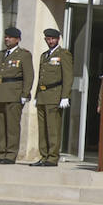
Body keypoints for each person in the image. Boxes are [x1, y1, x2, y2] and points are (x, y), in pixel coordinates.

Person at [0, 26, 33, 165]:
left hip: (14, 94)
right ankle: (2, 153)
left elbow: (29, 76)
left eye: (10, 37)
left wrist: (25, 94)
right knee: (1, 125)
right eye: (5, 36)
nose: (6, 39)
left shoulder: (24, 54)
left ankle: (11, 155)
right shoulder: (0, 54)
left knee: (12, 126)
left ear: (18, 39)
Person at [33, 28, 74, 167]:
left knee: (53, 128)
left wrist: (65, 96)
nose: (50, 41)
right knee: (42, 128)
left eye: (52, 39)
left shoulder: (63, 54)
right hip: (43, 95)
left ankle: (52, 157)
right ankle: (44, 156)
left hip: (55, 95)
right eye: (48, 39)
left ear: (58, 39)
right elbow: (41, 77)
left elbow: (68, 76)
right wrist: (36, 95)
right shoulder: (44, 55)